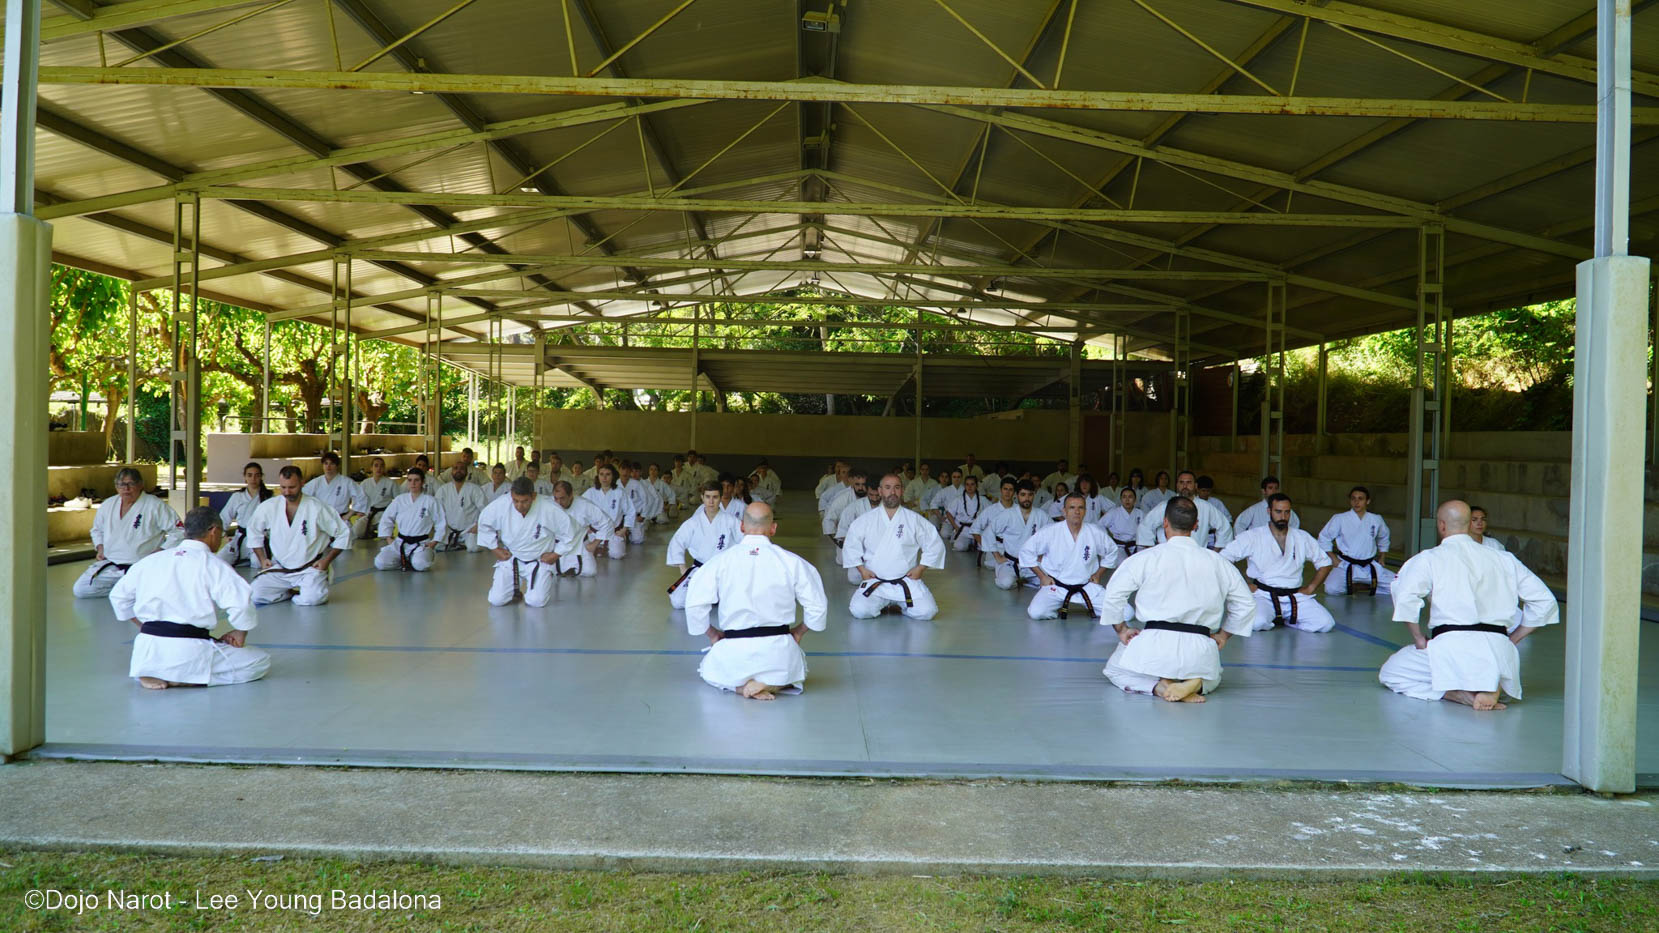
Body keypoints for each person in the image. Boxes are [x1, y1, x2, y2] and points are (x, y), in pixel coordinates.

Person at [1378, 501, 1560, 710]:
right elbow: (1545, 601)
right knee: (1493, 666)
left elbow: (1405, 596)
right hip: (1499, 650)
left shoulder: (1429, 558)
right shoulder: (1503, 558)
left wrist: (1419, 639)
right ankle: (1491, 685)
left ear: (1441, 525)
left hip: (1452, 645)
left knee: (1392, 672)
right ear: (1468, 524)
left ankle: (1456, 694)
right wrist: (1513, 639)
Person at [1099, 497, 1256, 703]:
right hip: (1200, 644)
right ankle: (1197, 683)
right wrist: (1223, 636)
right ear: (1196, 525)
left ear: (1165, 522)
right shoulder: (1218, 562)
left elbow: (1113, 594)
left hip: (1155, 643)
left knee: (1115, 670)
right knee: (1214, 676)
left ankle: (1159, 686)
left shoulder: (1146, 558)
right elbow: (1246, 604)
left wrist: (1122, 630)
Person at [109, 507, 269, 690]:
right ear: (214, 531)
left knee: (160, 656)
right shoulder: (213, 564)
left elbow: (118, 597)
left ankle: (154, 673)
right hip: (190, 650)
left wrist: (144, 626)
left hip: (147, 650)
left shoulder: (150, 561)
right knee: (259, 661)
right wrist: (240, 632)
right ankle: (184, 678)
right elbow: (241, 605)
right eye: (222, 533)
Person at [685, 502, 828, 700]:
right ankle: (771, 683)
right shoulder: (792, 562)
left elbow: (694, 604)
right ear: (773, 528)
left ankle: (740, 687)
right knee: (796, 671)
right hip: (778, 648)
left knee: (709, 671)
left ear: (742, 527)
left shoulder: (720, 562)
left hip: (734, 648)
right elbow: (817, 605)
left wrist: (712, 634)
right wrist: (798, 632)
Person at [1219, 493, 1335, 633]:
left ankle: (1288, 620)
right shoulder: (1253, 536)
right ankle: (1277, 617)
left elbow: (1325, 563)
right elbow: (1222, 559)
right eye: (1278, 512)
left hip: (1295, 596)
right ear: (1269, 511)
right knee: (1257, 623)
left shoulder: (1301, 537)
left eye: (1287, 512)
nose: (1283, 516)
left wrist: (1311, 587)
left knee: (1325, 623)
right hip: (1263, 595)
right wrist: (1242, 586)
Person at [843, 473, 947, 620]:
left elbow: (934, 544)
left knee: (927, 612)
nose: (892, 492)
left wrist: (920, 568)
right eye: (887, 487)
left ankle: (898, 606)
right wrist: (862, 570)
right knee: (860, 611)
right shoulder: (865, 520)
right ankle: (889, 604)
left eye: (897, 487)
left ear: (902, 490)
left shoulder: (914, 519)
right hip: (875, 581)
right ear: (880, 491)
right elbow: (851, 546)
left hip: (906, 581)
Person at [247, 465, 351, 606]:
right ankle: (288, 592)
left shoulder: (316, 507)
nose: (287, 492)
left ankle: (306, 590)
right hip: (280, 568)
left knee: (312, 599)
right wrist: (262, 559)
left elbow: (343, 533)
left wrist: (326, 561)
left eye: (292, 487)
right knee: (255, 594)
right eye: (283, 487)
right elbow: (253, 530)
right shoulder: (270, 506)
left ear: (302, 483)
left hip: (310, 569)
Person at [74, 467, 184, 599]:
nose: (126, 489)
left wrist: (161, 550)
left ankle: (130, 589)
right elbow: (97, 529)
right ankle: (125, 590)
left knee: (156, 592)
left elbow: (179, 532)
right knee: (81, 589)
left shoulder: (155, 505)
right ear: (116, 487)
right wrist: (100, 547)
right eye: (121, 484)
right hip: (112, 564)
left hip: (143, 565)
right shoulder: (108, 504)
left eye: (131, 484)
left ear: (141, 485)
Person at [479, 477, 580, 607]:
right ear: (511, 495)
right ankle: (514, 591)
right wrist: (495, 549)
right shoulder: (501, 504)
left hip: (540, 560)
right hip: (511, 558)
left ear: (533, 496)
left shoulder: (549, 507)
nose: (519, 506)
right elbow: (484, 524)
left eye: (525, 501)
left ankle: (543, 579)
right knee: (497, 600)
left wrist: (555, 555)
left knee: (536, 602)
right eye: (515, 501)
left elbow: (571, 533)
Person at [1020, 492, 1121, 620]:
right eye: (1072, 507)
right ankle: (1057, 606)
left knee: (1125, 613)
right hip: (1056, 586)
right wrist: (1042, 577)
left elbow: (1112, 551)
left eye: (1080, 508)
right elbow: (1026, 551)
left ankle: (1089, 605)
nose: (1076, 512)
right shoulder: (1050, 531)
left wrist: (1098, 574)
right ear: (1064, 511)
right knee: (1036, 612)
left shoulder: (1094, 532)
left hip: (1087, 586)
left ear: (1085, 511)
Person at [665, 481, 742, 609]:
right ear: (702, 497)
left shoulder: (731, 521)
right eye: (707, 497)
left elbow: (745, 542)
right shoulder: (693, 522)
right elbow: (677, 542)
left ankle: (714, 595)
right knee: (678, 601)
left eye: (715, 497)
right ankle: (711, 596)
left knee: (736, 602)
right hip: (699, 570)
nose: (711, 501)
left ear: (720, 497)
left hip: (723, 571)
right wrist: (683, 568)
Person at [1318, 485, 1395, 596]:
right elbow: (1323, 538)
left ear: (1368, 501)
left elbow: (1384, 537)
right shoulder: (1340, 518)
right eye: (1353, 498)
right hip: (1345, 565)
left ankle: (1364, 586)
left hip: (1369, 565)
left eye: (1360, 499)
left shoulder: (1376, 519)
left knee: (1398, 585)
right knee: (1331, 589)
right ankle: (1361, 585)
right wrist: (1334, 559)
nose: (1356, 502)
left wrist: (1382, 556)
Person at [1135, 471, 1233, 551]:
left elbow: (1225, 527)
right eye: (1181, 482)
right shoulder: (1165, 506)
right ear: (1177, 485)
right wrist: (1154, 551)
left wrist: (1215, 553)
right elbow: (1145, 527)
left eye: (1189, 482)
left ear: (1195, 485)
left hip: (1197, 557)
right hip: (1169, 557)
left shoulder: (1206, 507)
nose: (1185, 486)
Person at [373, 468, 447, 572]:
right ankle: (404, 560)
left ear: (423, 482)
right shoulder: (400, 500)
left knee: (421, 564)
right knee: (380, 562)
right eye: (410, 480)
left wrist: (434, 542)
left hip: (421, 544)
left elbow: (441, 522)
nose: (413, 483)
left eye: (416, 480)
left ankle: (413, 559)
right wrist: (388, 538)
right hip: (400, 543)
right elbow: (387, 518)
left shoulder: (431, 501)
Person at [986, 480, 1045, 590]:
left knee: (1048, 583)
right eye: (1023, 494)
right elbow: (989, 531)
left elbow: (1054, 536)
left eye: (1030, 495)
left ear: (1034, 495)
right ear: (1017, 495)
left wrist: (1042, 555)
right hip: (1010, 563)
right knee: (1006, 583)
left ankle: (1024, 580)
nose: (1027, 498)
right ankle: (1016, 579)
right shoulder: (1008, 514)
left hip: (1032, 563)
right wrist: (997, 556)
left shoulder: (1042, 515)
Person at [215, 461, 272, 566]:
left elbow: (275, 521)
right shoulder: (237, 496)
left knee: (257, 563)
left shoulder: (268, 497)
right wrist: (223, 535)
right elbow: (224, 517)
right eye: (249, 475)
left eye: (257, 475)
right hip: (240, 537)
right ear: (245, 477)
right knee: (220, 559)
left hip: (259, 537)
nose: (253, 479)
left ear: (261, 477)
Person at [552, 480, 611, 577]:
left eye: (562, 498)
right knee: (549, 570)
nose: (558, 502)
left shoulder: (584, 505)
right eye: (556, 498)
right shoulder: (550, 504)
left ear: (571, 495)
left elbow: (606, 522)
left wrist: (595, 543)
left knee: (590, 571)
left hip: (580, 544)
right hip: (558, 545)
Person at [302, 452, 366, 541]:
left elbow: (361, 497)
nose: (328, 467)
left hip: (341, 520)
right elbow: (302, 497)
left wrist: (349, 514)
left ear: (337, 466)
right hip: (321, 523)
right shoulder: (316, 482)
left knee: (343, 547)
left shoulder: (346, 482)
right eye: (326, 463)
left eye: (332, 463)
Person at [832, 474, 879, 584]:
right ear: (867, 491)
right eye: (871, 495)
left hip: (882, 551)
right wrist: (856, 554)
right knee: (854, 579)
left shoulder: (888, 508)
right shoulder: (854, 507)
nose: (874, 498)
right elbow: (843, 533)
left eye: (877, 495)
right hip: (861, 552)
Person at [581, 463, 634, 559]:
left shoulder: (619, 492)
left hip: (614, 532)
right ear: (598, 476)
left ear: (613, 476)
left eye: (608, 474)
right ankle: (598, 546)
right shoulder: (590, 492)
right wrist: (585, 526)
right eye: (601, 474)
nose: (604, 477)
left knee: (616, 554)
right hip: (595, 532)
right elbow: (579, 510)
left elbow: (630, 511)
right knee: (585, 553)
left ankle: (611, 545)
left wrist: (624, 529)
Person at [435, 462, 489, 551]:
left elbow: (486, 510)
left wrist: (478, 526)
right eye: (456, 468)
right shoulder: (443, 489)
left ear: (467, 472)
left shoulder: (475, 489)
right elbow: (436, 512)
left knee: (473, 547)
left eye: (462, 468)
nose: (458, 470)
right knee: (437, 547)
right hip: (449, 530)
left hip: (469, 530)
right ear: (451, 472)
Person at [1233, 475, 1300, 535]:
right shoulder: (1254, 510)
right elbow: (1239, 525)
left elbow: (1295, 525)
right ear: (1263, 491)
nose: (1274, 491)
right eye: (1270, 488)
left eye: (1276, 488)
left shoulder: (1286, 510)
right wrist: (1245, 542)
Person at [353, 457, 399, 541]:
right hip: (368, 514)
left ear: (384, 468)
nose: (379, 468)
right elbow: (357, 499)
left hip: (384, 515)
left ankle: (380, 532)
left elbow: (399, 500)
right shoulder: (365, 483)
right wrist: (359, 511)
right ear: (371, 468)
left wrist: (393, 514)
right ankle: (372, 532)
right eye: (376, 466)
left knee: (385, 535)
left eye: (381, 466)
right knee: (357, 531)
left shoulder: (390, 483)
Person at [942, 474, 989, 553]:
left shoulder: (983, 499)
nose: (969, 487)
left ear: (976, 486)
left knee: (985, 548)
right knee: (959, 546)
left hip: (978, 530)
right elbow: (949, 513)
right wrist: (956, 527)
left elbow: (992, 512)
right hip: (963, 530)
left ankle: (973, 544)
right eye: (967, 484)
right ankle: (969, 544)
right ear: (965, 486)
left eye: (972, 484)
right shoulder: (958, 499)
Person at [1100, 486, 1142, 557]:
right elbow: (1100, 525)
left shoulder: (1140, 513)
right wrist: (1107, 541)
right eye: (1124, 497)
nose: (1127, 500)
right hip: (1119, 547)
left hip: (1136, 547)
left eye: (1130, 497)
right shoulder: (1113, 512)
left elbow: (1147, 529)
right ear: (1121, 499)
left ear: (1135, 500)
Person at [1194, 475, 1229, 547]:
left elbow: (1228, 519)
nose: (1206, 493)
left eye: (1208, 491)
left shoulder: (1217, 503)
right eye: (1203, 490)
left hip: (1213, 537)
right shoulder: (1193, 502)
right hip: (1197, 535)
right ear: (1197, 489)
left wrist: (1217, 530)